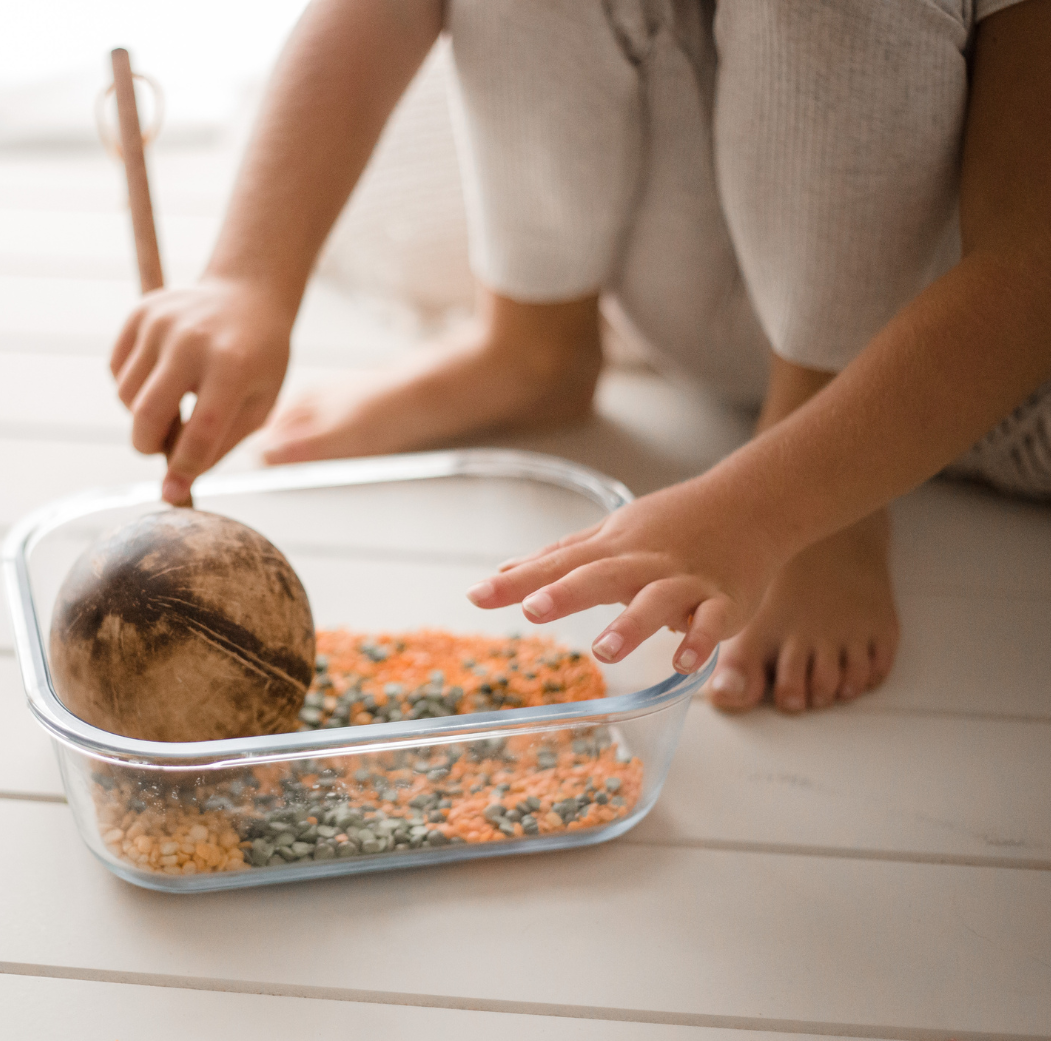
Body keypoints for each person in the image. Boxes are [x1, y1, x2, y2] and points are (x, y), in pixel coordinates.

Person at [109, 0, 1051, 715]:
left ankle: (826, 471)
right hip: (694, 268)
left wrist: (760, 515)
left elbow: (1028, 274)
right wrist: (250, 279)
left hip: (935, 340)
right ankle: (531, 342)